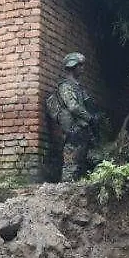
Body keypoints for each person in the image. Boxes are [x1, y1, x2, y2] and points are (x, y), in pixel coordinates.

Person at [53, 52, 100, 182]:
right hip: (74, 130)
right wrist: (90, 118)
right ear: (72, 67)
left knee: (87, 162)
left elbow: (88, 104)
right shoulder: (66, 86)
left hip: (83, 129)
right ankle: (63, 193)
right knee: (70, 165)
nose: (82, 68)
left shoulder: (78, 87)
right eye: (80, 65)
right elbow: (73, 106)